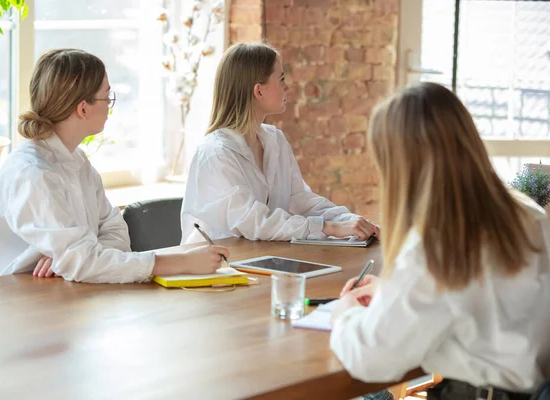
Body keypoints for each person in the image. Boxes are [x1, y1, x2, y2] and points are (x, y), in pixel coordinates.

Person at [331, 82, 550, 399]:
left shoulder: (437, 245)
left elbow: (370, 358)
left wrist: (345, 312)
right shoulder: (527, 214)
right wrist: (394, 292)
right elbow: (480, 302)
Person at [0, 49, 228, 284]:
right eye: (107, 96)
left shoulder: (77, 161)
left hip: (42, 302)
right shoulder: (32, 173)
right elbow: (82, 261)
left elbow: (116, 232)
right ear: (83, 109)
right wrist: (179, 261)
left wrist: (72, 258)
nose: (110, 105)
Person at [180, 42, 379, 245]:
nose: (288, 87)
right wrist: (329, 228)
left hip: (263, 260)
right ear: (258, 91)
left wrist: (351, 221)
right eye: (281, 79)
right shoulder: (216, 153)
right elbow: (252, 221)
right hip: (219, 268)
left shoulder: (275, 140)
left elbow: (300, 200)